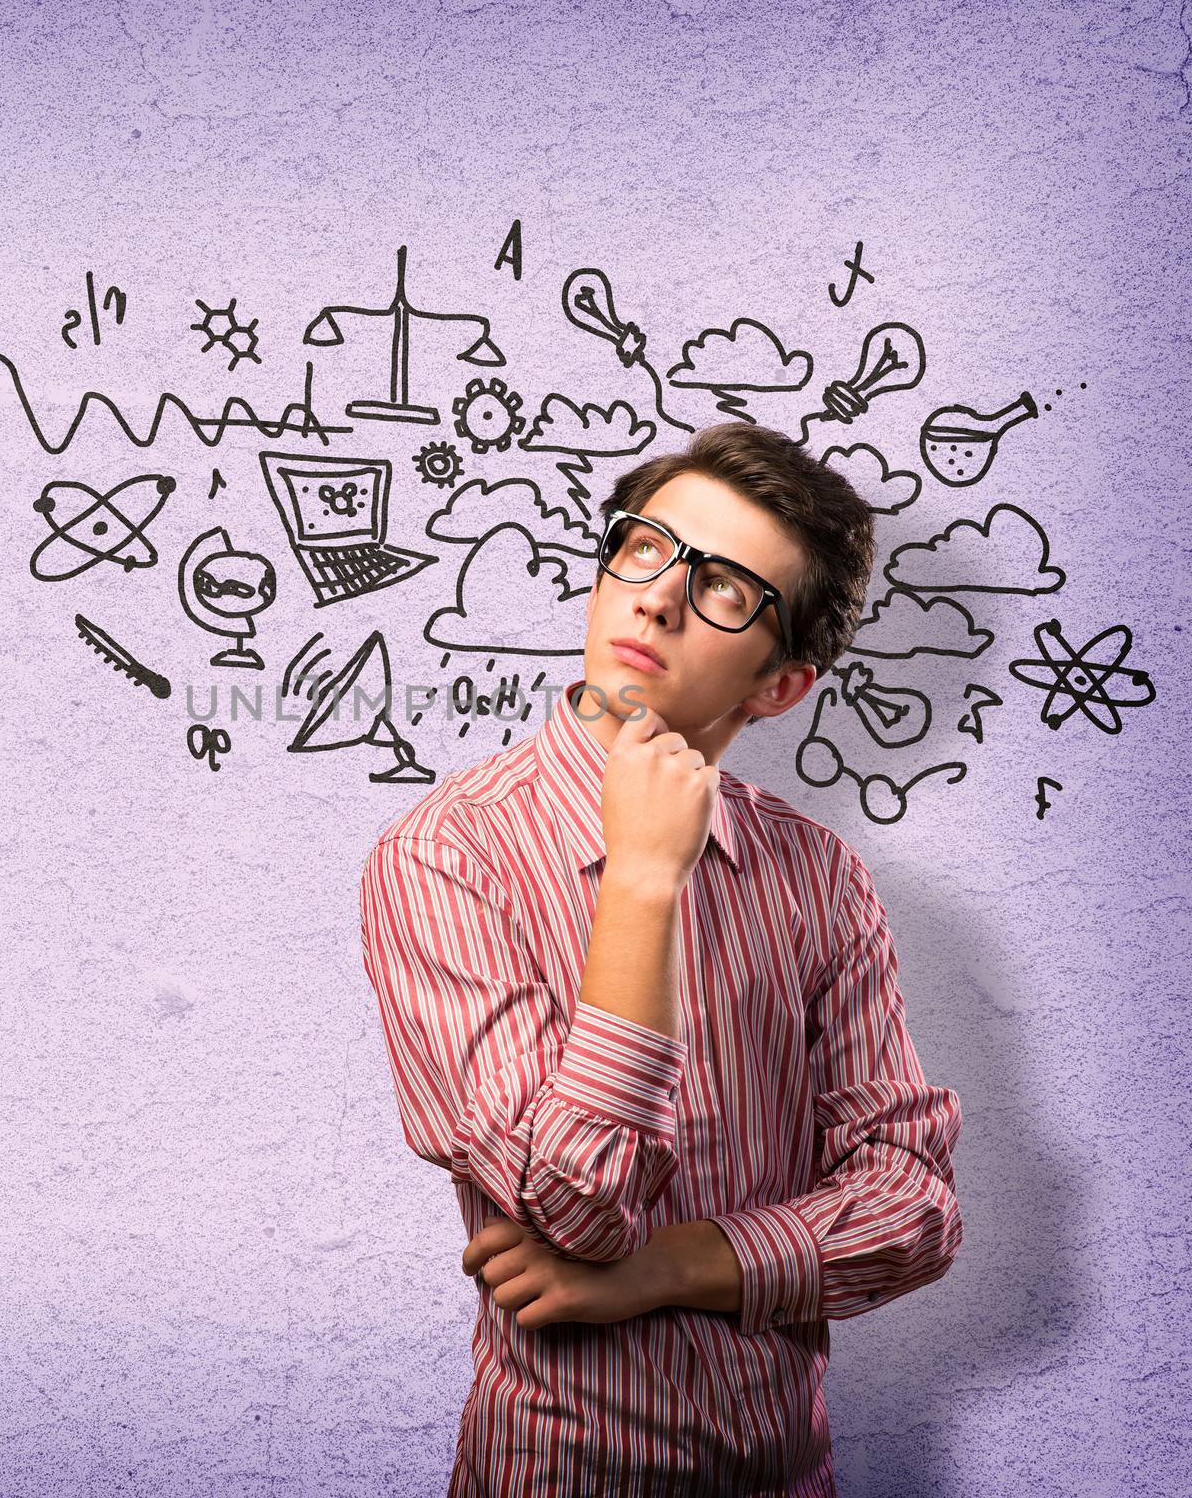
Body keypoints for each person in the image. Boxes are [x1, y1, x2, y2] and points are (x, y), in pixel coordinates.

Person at [358, 421, 964, 1497]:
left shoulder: (819, 876)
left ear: (779, 686)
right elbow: (572, 1211)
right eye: (646, 548)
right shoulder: (446, 858)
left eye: (726, 588)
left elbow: (911, 1206)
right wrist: (641, 882)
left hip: (793, 1475)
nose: (660, 598)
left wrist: (667, 1268)